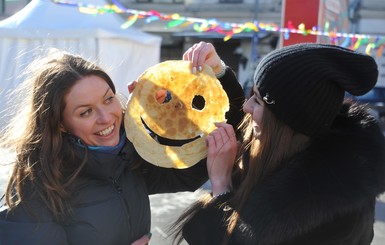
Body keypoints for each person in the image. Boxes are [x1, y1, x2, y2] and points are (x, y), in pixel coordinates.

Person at [0, 42, 245, 244]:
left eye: (108, 99)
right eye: (86, 112)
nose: (107, 118)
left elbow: (193, 163)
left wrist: (217, 74)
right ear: (60, 123)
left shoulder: (127, 157)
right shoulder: (37, 186)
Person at [171, 43, 385, 245]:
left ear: (285, 120)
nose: (246, 106)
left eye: (258, 100)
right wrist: (218, 73)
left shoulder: (325, 216)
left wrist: (221, 187)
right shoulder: (302, 144)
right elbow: (242, 124)